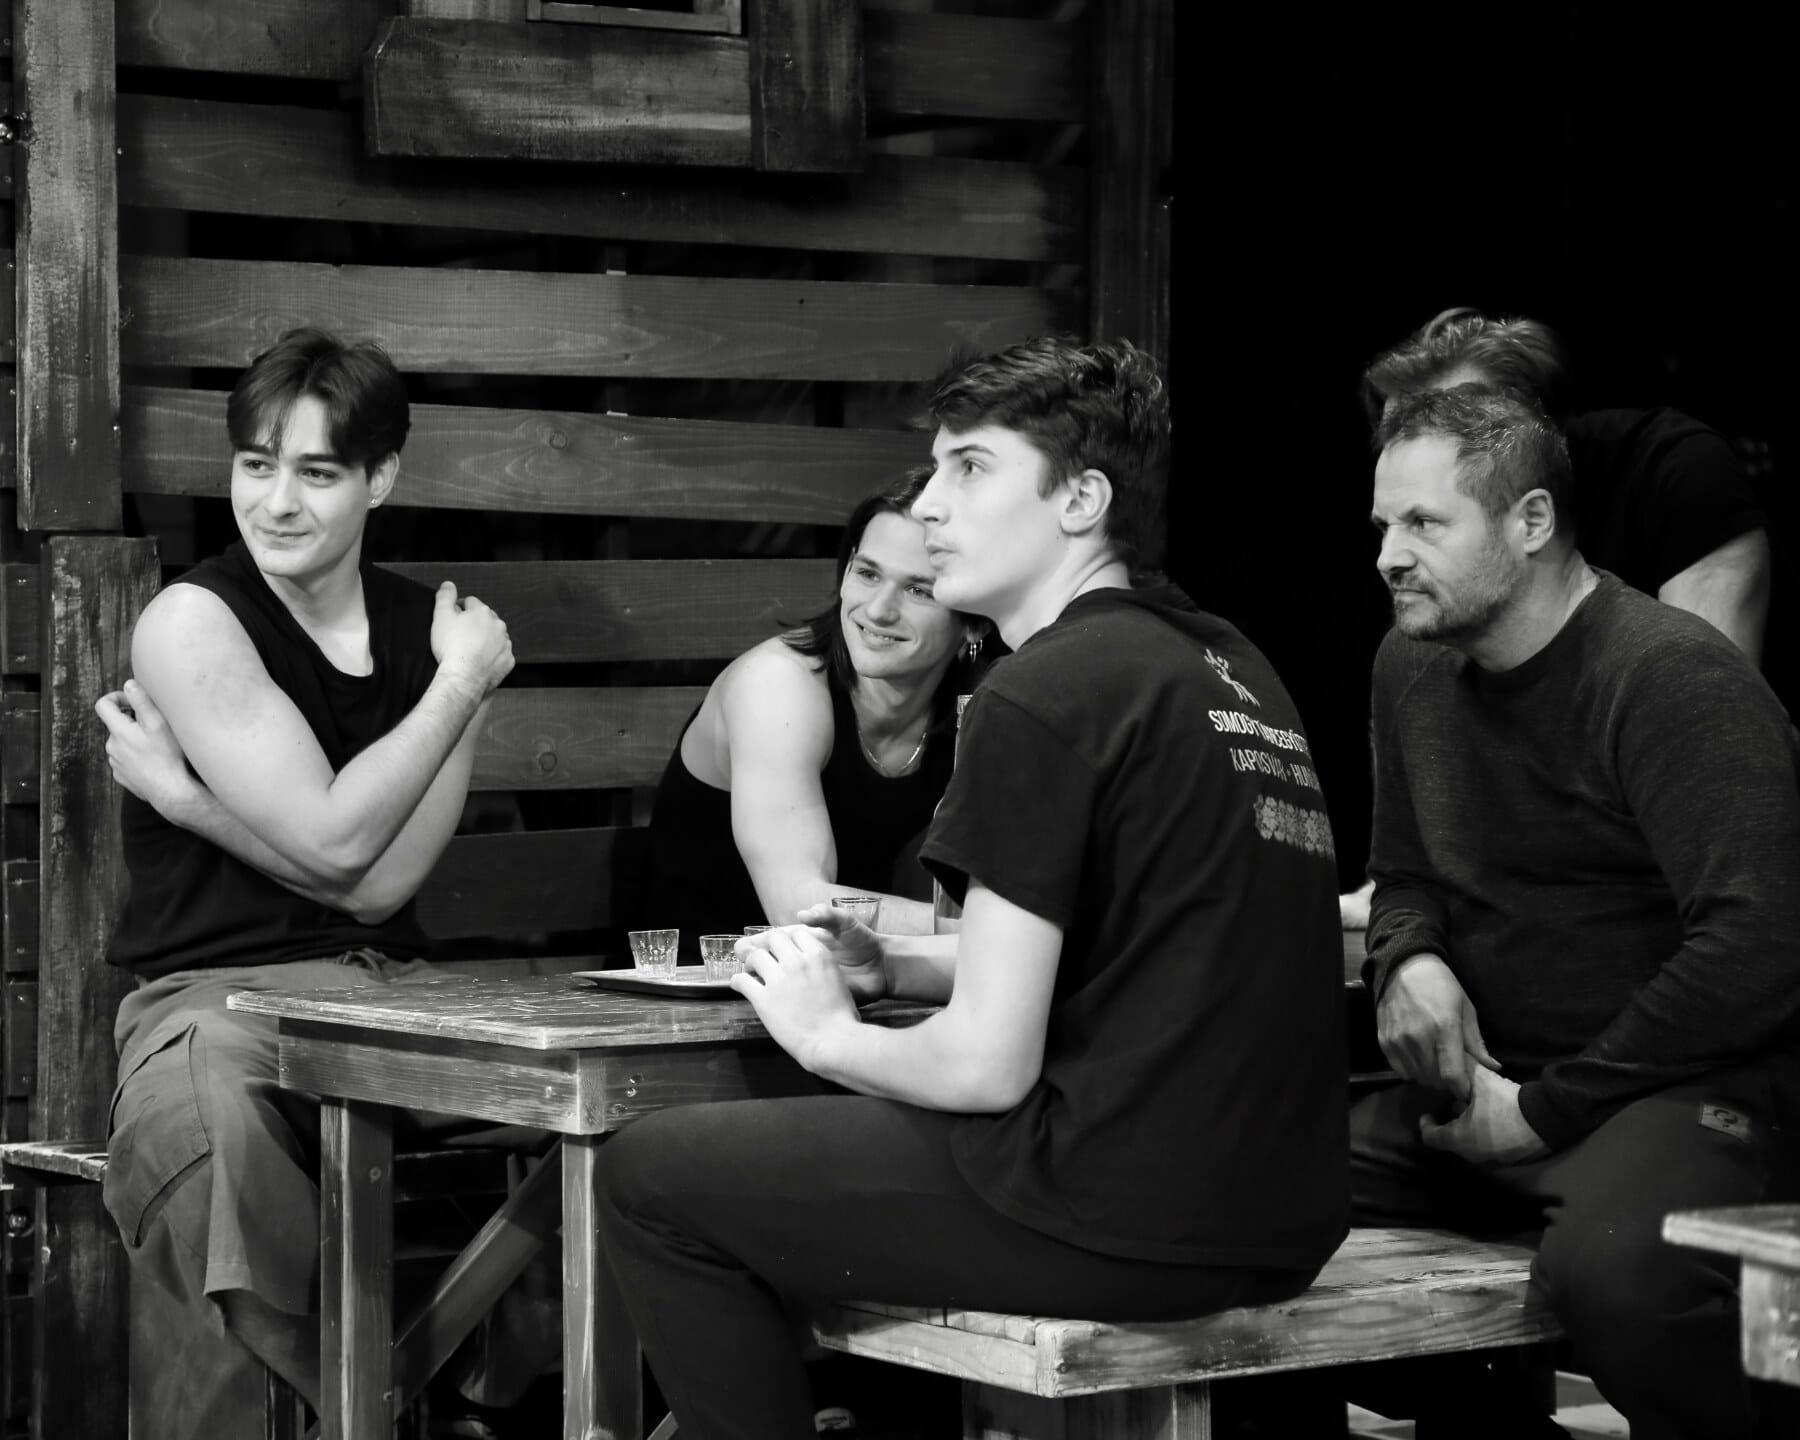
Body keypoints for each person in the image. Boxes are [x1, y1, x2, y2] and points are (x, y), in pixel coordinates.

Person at [592, 336, 1349, 1438]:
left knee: (650, 1179)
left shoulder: (1043, 689)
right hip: (1285, 1210)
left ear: (1082, 500)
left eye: (972, 469)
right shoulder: (1226, 662)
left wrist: (826, 1036)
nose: (932, 505)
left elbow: (986, 1067)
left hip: (1125, 1210)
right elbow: (1135, 948)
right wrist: (899, 966)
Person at [91, 328, 517, 1437]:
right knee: (199, 1126)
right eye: (255, 464)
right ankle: (376, 1413)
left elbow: (374, 890)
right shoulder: (194, 621)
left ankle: (490, 1392)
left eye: (317, 472)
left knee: (594, 1114)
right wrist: (456, 692)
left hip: (386, 989)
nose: (276, 502)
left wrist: (187, 800)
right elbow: (335, 846)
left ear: (382, 478)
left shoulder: (435, 635)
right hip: (212, 1000)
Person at [1358, 386, 1800, 1439]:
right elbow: (1403, 872)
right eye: (1381, 525)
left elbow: (1759, 948)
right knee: (1239, 1185)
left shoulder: (1672, 676)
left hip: (1677, 1089)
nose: (1387, 556)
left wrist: (1545, 1111)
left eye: (1423, 523)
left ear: (1531, 522)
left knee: (1622, 1277)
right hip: (1487, 1084)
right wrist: (1408, 959)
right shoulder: (1410, 664)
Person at [1340, 304, 1775, 929]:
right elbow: (1417, 851)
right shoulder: (1424, 622)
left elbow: (1709, 755)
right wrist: (1409, 921)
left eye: (1452, 420)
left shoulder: (1674, 478)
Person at [642, 468, 989, 948]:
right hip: (697, 977)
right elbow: (800, 906)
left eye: (918, 590)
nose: (878, 609)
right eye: (868, 573)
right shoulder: (778, 685)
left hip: (858, 974)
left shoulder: (985, 699)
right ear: (845, 575)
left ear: (975, 620)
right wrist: (998, 937)